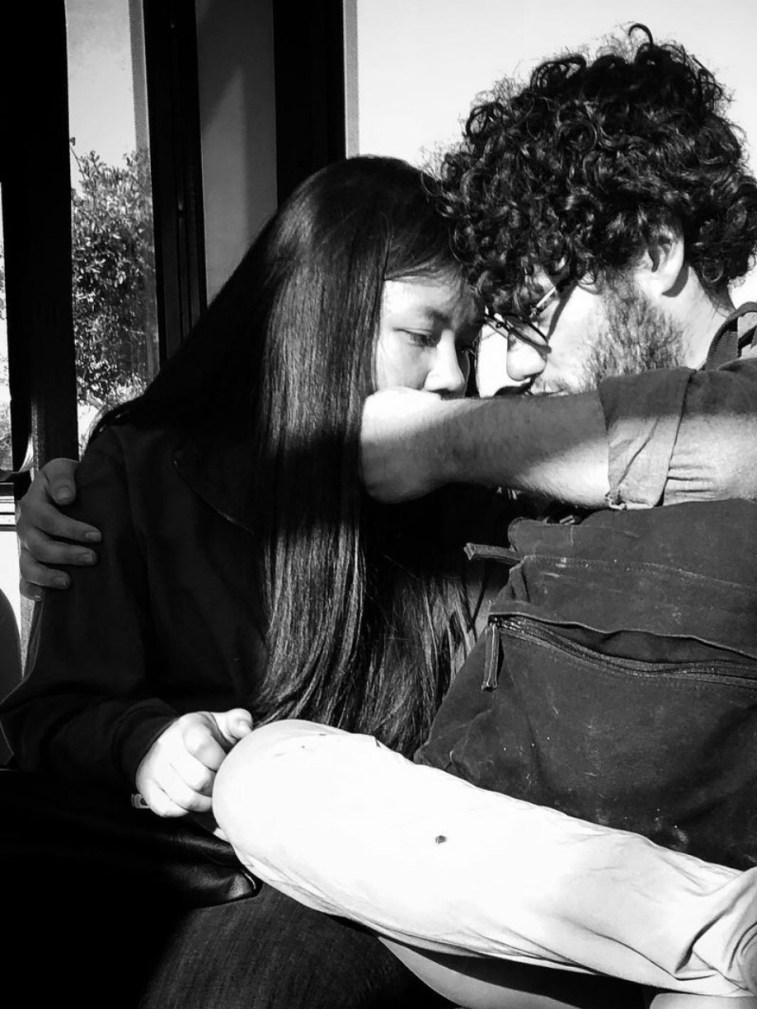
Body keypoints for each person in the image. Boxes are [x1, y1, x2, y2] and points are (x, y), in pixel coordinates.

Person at [16, 25, 757, 1009]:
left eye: (527, 320)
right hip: (516, 866)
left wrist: (434, 441)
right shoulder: (156, 476)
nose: (491, 374)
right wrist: (137, 713)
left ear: (657, 247)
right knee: (269, 799)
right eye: (439, 336)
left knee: (276, 804)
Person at [0, 154, 486, 1009]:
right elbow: (51, 712)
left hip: (380, 894)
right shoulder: (138, 473)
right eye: (422, 334)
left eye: (467, 344)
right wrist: (146, 742)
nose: (452, 375)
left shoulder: (458, 504)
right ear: (324, 316)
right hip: (187, 883)